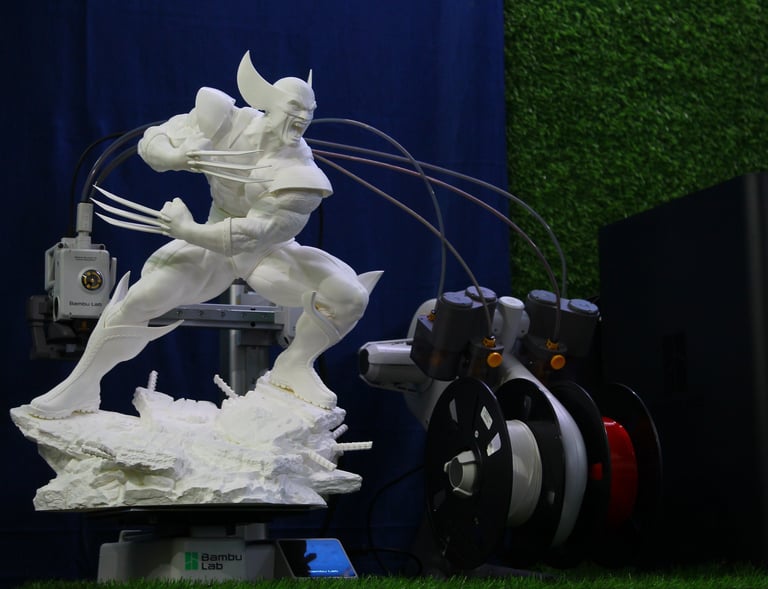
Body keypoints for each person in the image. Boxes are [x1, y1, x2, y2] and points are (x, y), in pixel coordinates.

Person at [30, 51, 381, 417]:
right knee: (140, 299)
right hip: (212, 243)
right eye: (295, 107)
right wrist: (176, 156)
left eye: (309, 111)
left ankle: (294, 365)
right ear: (270, 104)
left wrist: (186, 230)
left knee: (349, 296)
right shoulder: (227, 121)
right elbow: (153, 140)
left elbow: (257, 233)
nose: (303, 117)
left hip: (267, 253)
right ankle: (81, 386)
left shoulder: (301, 171)